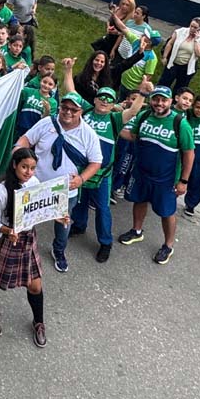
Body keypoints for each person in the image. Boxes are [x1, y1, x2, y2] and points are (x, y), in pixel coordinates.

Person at [63, 57, 147, 263]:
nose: (104, 101)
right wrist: (68, 70)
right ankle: (79, 226)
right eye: (101, 97)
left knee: (102, 208)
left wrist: (143, 93)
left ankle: (105, 242)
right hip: (82, 169)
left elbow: (133, 111)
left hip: (102, 173)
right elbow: (71, 92)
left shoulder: (115, 119)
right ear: (94, 100)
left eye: (109, 99)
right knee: (80, 202)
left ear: (113, 105)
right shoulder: (86, 111)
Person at [14, 92, 102, 273]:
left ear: (81, 111)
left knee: (63, 222)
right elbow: (27, 139)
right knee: (25, 217)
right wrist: (17, 149)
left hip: (64, 189)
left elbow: (96, 162)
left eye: (73, 109)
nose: (68, 112)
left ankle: (59, 250)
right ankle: (20, 248)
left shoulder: (89, 134)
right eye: (65, 108)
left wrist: (81, 179)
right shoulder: (47, 123)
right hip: (35, 184)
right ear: (60, 107)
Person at [118, 85, 195, 265]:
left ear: (170, 101)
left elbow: (189, 153)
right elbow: (132, 135)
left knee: (166, 212)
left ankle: (168, 245)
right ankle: (137, 231)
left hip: (165, 179)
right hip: (141, 173)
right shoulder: (144, 116)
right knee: (139, 200)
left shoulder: (180, 123)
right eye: (156, 99)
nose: (159, 103)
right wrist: (112, 126)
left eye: (163, 100)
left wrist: (183, 181)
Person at [0, 148, 49, 347]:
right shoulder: (0, 192)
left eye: (33, 168)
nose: (28, 172)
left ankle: (39, 322)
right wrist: (6, 230)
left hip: (28, 239)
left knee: (35, 286)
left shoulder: (34, 184)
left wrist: (58, 215)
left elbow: (42, 208)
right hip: (7, 240)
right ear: (14, 165)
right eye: (24, 167)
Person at [159, 18, 200, 92]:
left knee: (180, 89)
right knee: (163, 84)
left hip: (186, 67)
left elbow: (199, 54)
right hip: (173, 63)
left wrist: (196, 40)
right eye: (191, 26)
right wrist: (165, 57)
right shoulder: (181, 31)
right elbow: (170, 43)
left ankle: (174, 102)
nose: (192, 29)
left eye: (195, 28)